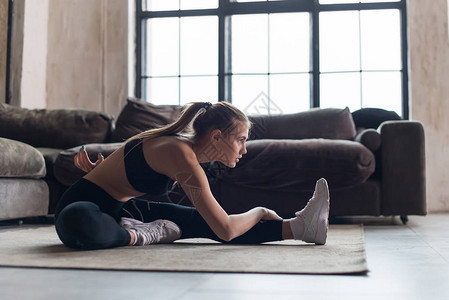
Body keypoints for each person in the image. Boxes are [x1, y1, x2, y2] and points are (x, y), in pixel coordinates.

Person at [54, 101, 330, 250]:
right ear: (217, 137)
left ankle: (299, 227)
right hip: (81, 209)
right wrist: (259, 211)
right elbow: (227, 230)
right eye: (241, 140)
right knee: (79, 223)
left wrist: (99, 171)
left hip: (122, 211)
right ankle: (140, 236)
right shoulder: (180, 154)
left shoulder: (189, 155)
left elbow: (222, 227)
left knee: (200, 222)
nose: (245, 149)